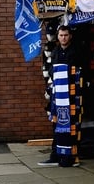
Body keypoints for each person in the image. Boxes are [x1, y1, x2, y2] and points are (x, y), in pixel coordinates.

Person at [38, 25, 88, 167]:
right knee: (57, 124)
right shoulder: (55, 52)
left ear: (70, 36)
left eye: (65, 35)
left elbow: (80, 71)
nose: (63, 38)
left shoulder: (77, 51)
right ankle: (55, 155)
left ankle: (72, 156)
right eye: (61, 35)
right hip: (58, 95)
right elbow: (52, 71)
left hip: (72, 95)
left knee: (72, 125)